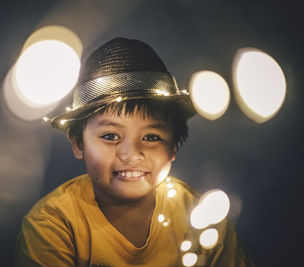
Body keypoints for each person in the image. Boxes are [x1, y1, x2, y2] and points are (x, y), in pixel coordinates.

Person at [15, 37, 254, 266]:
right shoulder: (53, 224)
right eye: (110, 136)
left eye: (151, 137)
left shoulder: (199, 217)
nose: (131, 154)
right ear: (78, 144)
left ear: (173, 146)